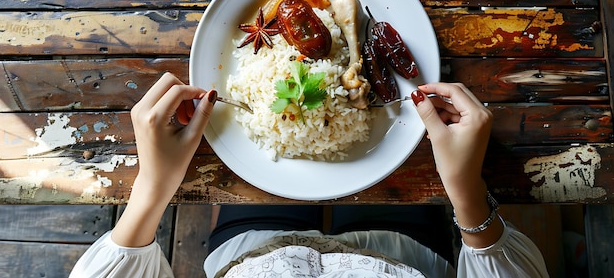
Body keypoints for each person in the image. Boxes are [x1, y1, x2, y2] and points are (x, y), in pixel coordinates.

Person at [69, 73, 549, 278]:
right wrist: (468, 192)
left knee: (270, 158)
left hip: (251, 245)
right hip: (405, 247)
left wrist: (154, 187)